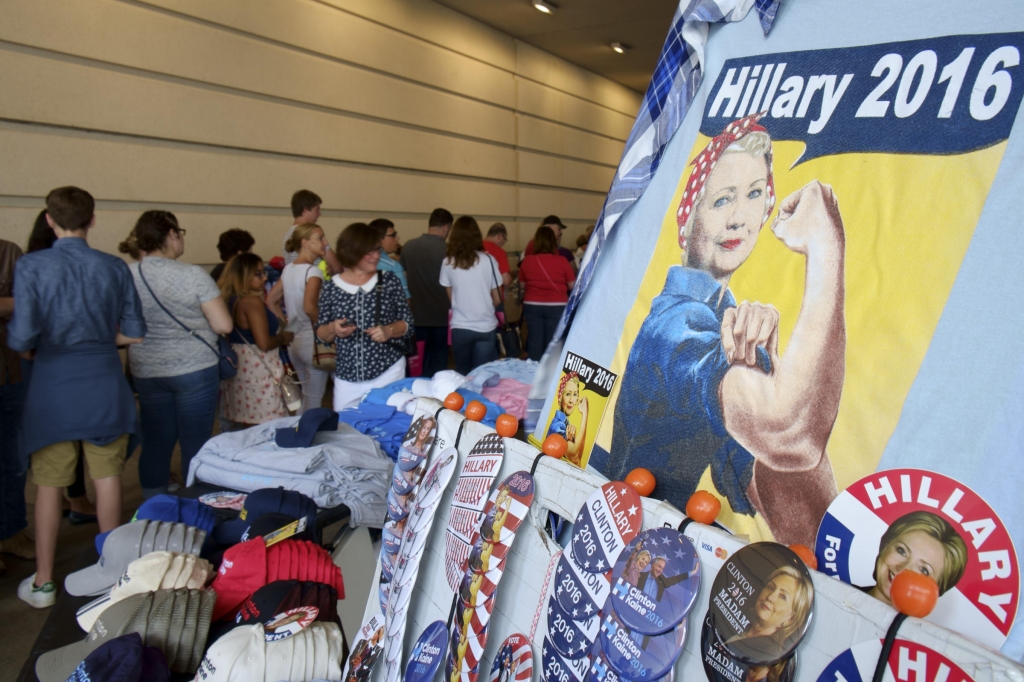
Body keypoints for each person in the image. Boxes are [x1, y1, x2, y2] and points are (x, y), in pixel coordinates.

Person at [608, 113, 846, 546]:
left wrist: (772, 372)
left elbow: (804, 513)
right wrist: (826, 251)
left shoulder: (725, 329)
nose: (739, 217)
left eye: (754, 195)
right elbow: (788, 429)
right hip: (632, 546)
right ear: (688, 220)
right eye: (721, 201)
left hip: (659, 548)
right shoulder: (674, 324)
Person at [8, 187, 146, 608]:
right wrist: (100, 342)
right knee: (108, 481)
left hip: (53, 387)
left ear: (49, 220)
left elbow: (21, 337)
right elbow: (135, 331)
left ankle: (45, 582)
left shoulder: (32, 266)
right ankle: (111, 574)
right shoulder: (113, 266)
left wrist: (41, 349)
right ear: (93, 219)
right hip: (103, 382)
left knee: (49, 485)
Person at [119, 211, 233, 497]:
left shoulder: (126, 275)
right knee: (195, 442)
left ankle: (154, 508)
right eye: (180, 232)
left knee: (156, 441)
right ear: (171, 234)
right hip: (195, 369)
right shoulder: (192, 274)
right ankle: (195, 507)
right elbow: (223, 324)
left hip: (147, 370)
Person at [25, 210, 97, 525]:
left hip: (43, 371)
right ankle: (78, 500)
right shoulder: (93, 268)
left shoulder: (30, 266)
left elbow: (23, 338)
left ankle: (69, 502)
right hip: (82, 371)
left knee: (52, 456)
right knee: (85, 447)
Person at [316, 222, 414, 410]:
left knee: (388, 428)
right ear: (353, 251)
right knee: (346, 430)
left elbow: (408, 323)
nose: (376, 255)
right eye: (369, 252)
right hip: (347, 377)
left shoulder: (388, 281)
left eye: (377, 249)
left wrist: (388, 330)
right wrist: (333, 329)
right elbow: (321, 334)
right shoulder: (331, 287)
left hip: (388, 371)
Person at [219, 253, 294, 429]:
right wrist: (284, 337)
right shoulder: (251, 302)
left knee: (243, 424)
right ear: (242, 276)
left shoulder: (229, 299)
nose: (265, 278)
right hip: (259, 371)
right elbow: (264, 343)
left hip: (239, 370)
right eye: (258, 274)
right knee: (267, 426)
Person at [0, 237, 35, 572]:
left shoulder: (9, 253)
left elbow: (28, 302)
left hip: (9, 374)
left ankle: (11, 531)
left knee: (12, 460)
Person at [865, 510, 968, 607]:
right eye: (902, 551)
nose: (902, 570)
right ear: (885, 547)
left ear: (936, 590)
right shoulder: (847, 591)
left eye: (924, 570)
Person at [439, 216, 501, 375]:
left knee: (462, 373)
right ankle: (479, 400)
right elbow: (498, 298)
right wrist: (484, 306)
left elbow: (451, 297)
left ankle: (464, 400)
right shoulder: (489, 260)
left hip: (461, 326)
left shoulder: (448, 262)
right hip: (486, 326)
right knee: (481, 375)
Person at [281, 223, 330, 413]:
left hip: (294, 340)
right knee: (314, 398)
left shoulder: (288, 270)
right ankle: (307, 438)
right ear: (305, 243)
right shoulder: (313, 272)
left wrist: (288, 325)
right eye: (320, 238)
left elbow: (272, 300)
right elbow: (309, 307)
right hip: (311, 340)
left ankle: (299, 432)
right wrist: (325, 329)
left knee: (304, 396)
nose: (325, 243)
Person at [726, 565, 813, 662]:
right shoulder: (740, 628)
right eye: (771, 587)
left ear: (790, 618)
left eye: (783, 597)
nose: (770, 597)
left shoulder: (767, 653)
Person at [403, 208, 453, 377]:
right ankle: (437, 400)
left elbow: (403, 280)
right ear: (446, 227)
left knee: (417, 366)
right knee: (439, 366)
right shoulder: (450, 250)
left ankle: (415, 398)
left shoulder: (409, 247)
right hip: (442, 319)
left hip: (416, 318)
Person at [519, 226, 575, 361]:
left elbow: (522, 286)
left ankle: (534, 373)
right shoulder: (562, 261)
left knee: (534, 339)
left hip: (532, 304)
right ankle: (550, 376)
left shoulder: (527, 261)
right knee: (554, 342)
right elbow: (572, 285)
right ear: (553, 242)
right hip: (557, 305)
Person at [282, 190, 341, 273]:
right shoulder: (312, 234)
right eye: (317, 209)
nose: (319, 214)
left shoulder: (287, 235)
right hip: (314, 282)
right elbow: (337, 267)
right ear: (305, 210)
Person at [546, 372, 588, 467]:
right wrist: (585, 414)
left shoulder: (566, 424)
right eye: (568, 394)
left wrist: (571, 439)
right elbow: (575, 457)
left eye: (575, 394)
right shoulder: (558, 426)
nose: (571, 400)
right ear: (560, 397)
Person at [370, 218, 410, 299]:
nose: (397, 238)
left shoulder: (359, 262)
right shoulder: (393, 266)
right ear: (379, 238)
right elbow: (404, 299)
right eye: (393, 235)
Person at [483, 223, 513, 288]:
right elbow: (506, 281)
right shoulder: (500, 252)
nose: (503, 243)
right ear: (499, 236)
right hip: (494, 295)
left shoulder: (475, 247)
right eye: (504, 239)